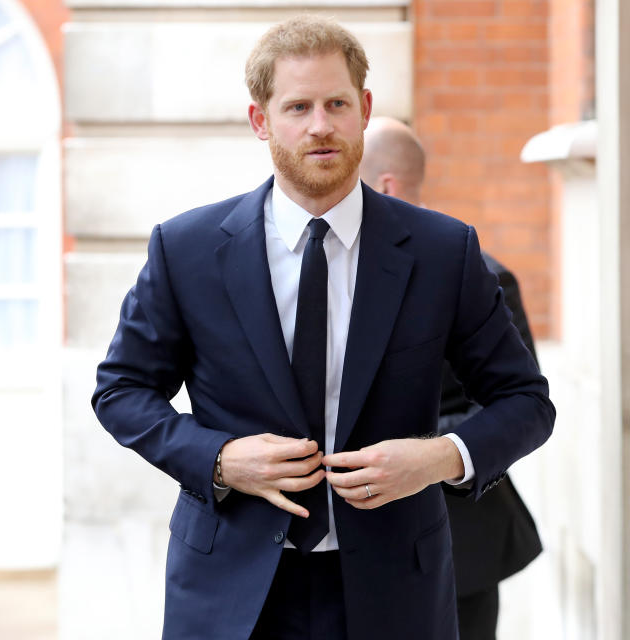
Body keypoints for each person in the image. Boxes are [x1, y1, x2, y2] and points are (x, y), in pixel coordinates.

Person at [92, 15, 554, 640]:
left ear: (364, 109)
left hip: (396, 591)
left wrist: (440, 458)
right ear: (261, 121)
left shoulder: (444, 251)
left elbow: (526, 401)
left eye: (337, 103)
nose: (320, 125)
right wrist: (221, 458)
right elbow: (121, 391)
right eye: (298, 106)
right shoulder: (188, 249)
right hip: (230, 589)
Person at [361, 117, 544, 640]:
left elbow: (518, 405)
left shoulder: (481, 274)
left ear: (386, 185)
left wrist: (427, 452)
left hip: (461, 538)